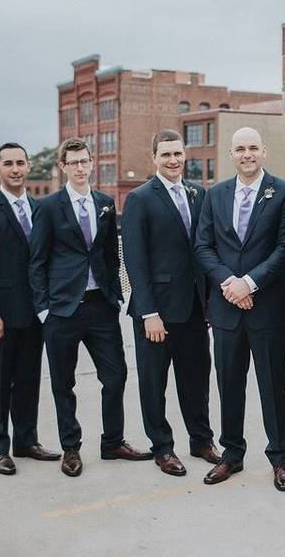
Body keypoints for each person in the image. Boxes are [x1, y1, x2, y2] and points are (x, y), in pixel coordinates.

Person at [29, 137, 151, 477]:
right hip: (61, 310)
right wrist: (43, 309)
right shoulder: (48, 207)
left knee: (116, 376)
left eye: (85, 161)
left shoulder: (106, 203)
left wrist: (114, 296)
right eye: (74, 163)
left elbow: (111, 255)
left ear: (91, 163)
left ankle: (113, 442)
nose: (80, 168)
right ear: (63, 167)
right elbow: (37, 262)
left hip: (101, 308)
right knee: (63, 383)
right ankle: (71, 447)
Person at [194, 127, 285, 490]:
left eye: (253, 147)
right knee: (229, 385)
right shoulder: (215, 195)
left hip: (268, 309)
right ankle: (232, 454)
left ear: (264, 151)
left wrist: (249, 283)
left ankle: (280, 458)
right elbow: (203, 247)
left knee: (274, 387)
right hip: (226, 310)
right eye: (240, 148)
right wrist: (229, 284)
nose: (247, 154)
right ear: (231, 153)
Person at [121, 129, 219, 478]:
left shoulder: (199, 194)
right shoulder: (140, 198)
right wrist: (149, 312)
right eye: (166, 155)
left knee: (196, 379)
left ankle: (201, 440)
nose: (173, 160)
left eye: (178, 154)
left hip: (195, 309)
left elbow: (205, 250)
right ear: (154, 158)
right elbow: (135, 260)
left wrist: (210, 303)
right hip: (157, 312)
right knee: (154, 383)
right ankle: (163, 447)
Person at [0, 142, 61, 475]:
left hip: (35, 314)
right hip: (0, 316)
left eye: (21, 162)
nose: (16, 169)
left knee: (28, 380)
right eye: (8, 163)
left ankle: (25, 441)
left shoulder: (40, 208)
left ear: (29, 166)